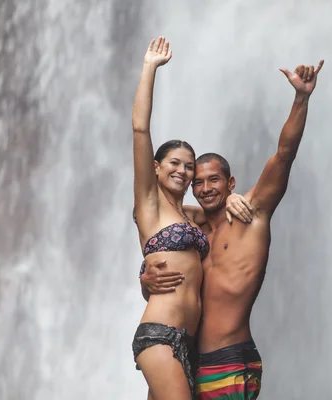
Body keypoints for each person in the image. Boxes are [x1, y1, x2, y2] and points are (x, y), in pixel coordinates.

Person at [141, 59, 325, 399]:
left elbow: (284, 155)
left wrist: (301, 98)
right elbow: (165, 256)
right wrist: (145, 278)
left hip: (228, 358)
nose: (206, 187)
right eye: (198, 182)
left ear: (231, 183)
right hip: (185, 358)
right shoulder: (192, 232)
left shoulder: (250, 212)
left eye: (215, 180)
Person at [130, 36, 251, 400]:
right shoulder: (149, 202)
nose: (183, 172)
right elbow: (140, 128)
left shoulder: (191, 216)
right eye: (174, 164)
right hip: (160, 334)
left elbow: (218, 209)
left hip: (191, 342)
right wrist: (150, 68)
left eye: (189, 166)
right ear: (155, 167)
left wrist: (235, 199)